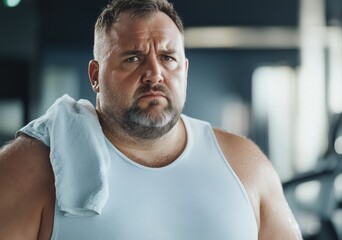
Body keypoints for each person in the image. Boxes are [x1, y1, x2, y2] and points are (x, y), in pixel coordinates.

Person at [0, 0, 302, 239]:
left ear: (184, 69)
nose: (155, 73)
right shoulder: (30, 169)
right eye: (133, 58)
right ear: (95, 76)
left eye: (168, 58)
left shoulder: (245, 165)